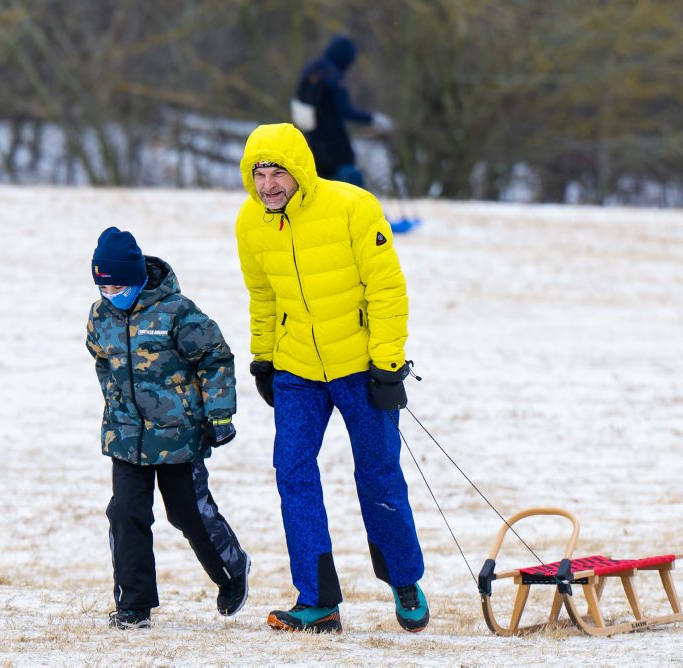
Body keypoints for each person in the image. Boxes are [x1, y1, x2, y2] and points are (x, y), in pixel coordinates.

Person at [234, 123, 429, 634]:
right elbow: (264, 296)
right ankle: (318, 600)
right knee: (292, 472)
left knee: (378, 473)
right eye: (259, 174)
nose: (269, 184)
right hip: (297, 369)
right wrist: (264, 358)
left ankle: (404, 581)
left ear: (300, 170)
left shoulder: (353, 207)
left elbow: (386, 287)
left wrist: (388, 363)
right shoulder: (250, 223)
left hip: (360, 368)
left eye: (278, 172)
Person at [85, 226, 250, 630]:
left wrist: (219, 414)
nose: (112, 293)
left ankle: (232, 570)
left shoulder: (176, 311)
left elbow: (215, 357)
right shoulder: (100, 316)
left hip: (179, 435)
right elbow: (102, 359)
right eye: (104, 287)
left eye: (119, 285)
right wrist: (116, 403)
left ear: (139, 276)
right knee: (125, 513)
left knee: (187, 513)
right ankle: (133, 607)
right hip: (126, 436)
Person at [293, 34, 393, 189]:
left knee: (319, 181)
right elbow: (345, 110)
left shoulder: (311, 68)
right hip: (334, 139)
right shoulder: (333, 76)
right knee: (348, 175)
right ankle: (354, 210)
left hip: (311, 137)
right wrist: (372, 118)